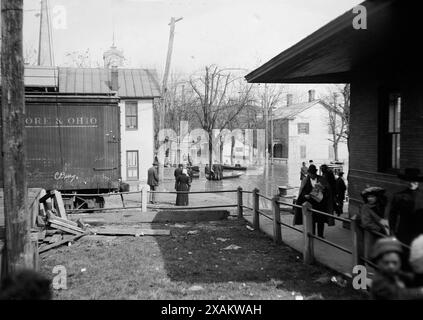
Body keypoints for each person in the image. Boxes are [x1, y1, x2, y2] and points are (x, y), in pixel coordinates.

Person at [294, 164, 332, 238]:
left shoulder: (321, 179)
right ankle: (313, 234)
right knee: (312, 220)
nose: (312, 175)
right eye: (311, 174)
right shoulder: (305, 180)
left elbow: (328, 189)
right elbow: (302, 191)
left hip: (320, 203)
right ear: (309, 173)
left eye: (313, 174)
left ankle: (320, 235)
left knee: (321, 219)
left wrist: (323, 189)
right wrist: (305, 195)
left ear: (315, 172)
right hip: (310, 203)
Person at [389, 168, 423, 247]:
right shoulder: (399, 196)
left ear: (418, 182)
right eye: (410, 181)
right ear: (406, 182)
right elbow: (392, 215)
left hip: (420, 233)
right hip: (404, 232)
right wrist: (392, 232)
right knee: (404, 253)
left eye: (415, 181)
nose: (412, 183)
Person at [360, 186, 390, 258]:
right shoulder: (365, 207)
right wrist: (379, 229)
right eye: (368, 197)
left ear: (377, 197)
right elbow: (366, 223)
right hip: (374, 234)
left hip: (386, 233)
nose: (369, 199)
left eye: (372, 196)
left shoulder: (382, 206)